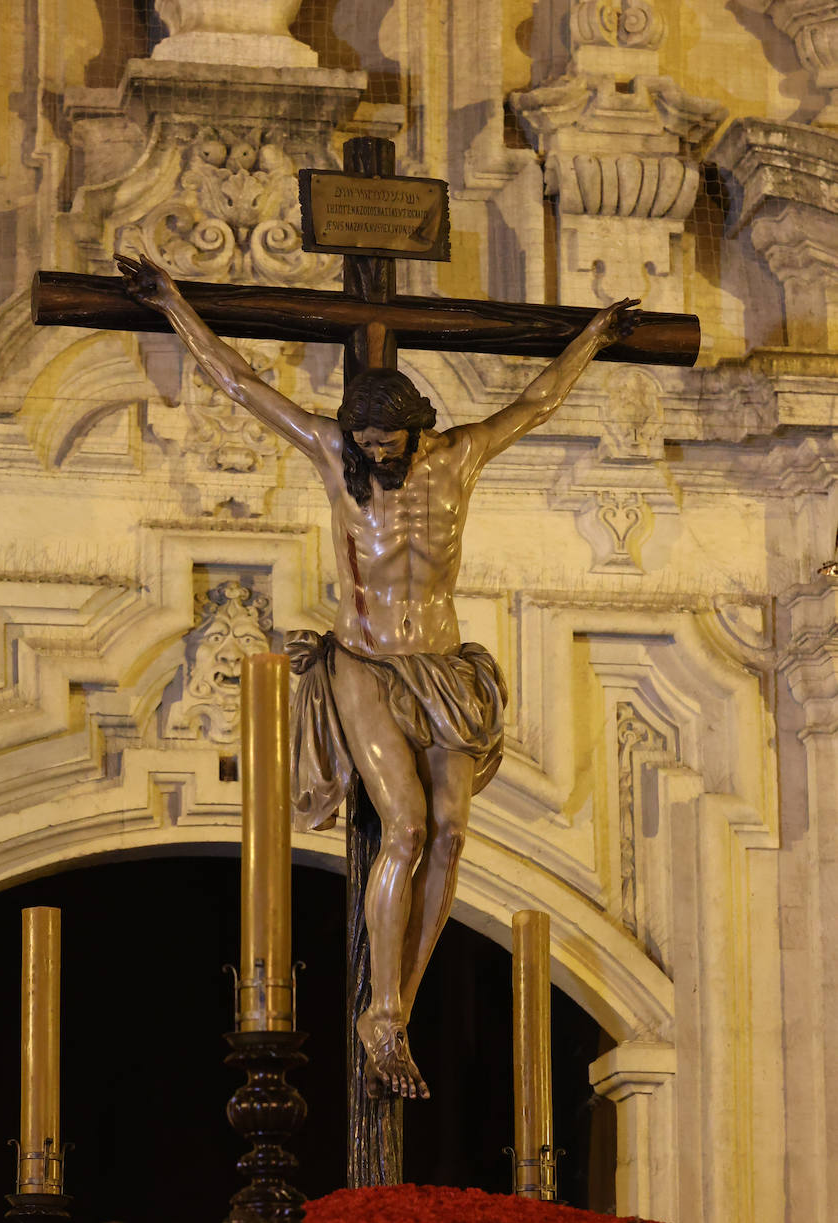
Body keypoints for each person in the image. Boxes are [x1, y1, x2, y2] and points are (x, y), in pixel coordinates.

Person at [116, 252, 639, 1100]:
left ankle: (401, 994)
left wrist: (592, 336)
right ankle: (383, 1011)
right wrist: (173, 303)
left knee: (453, 833)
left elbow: (540, 401)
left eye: (387, 444)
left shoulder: (459, 457)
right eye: (364, 445)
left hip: (443, 668)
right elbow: (242, 384)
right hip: (362, 660)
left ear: (414, 429)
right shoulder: (333, 455)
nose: (375, 458)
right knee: (402, 826)